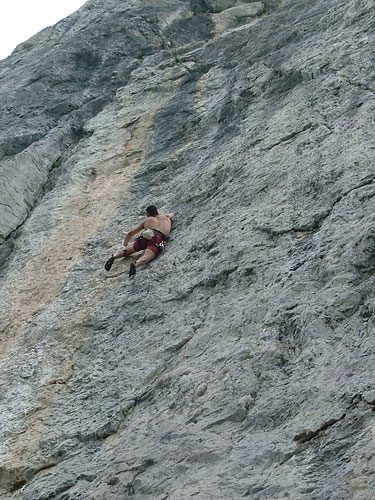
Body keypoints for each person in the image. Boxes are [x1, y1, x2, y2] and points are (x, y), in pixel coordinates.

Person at [104, 205, 175, 276]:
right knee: (147, 257)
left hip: (147, 234)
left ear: (147, 214)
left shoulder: (147, 221)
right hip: (158, 239)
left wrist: (125, 244)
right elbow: (172, 214)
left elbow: (130, 233)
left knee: (126, 251)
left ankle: (114, 256)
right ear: (157, 211)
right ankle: (136, 264)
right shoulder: (166, 217)